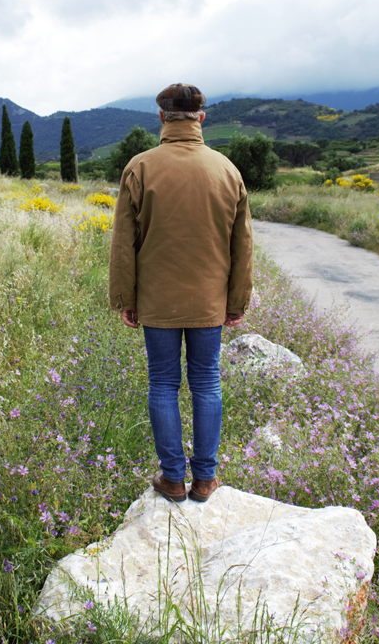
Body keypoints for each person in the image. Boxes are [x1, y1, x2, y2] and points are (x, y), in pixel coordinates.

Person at [108, 82, 254, 504]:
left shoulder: (139, 167)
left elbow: (123, 242)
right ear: (201, 118)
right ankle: (205, 480)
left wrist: (126, 298)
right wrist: (236, 302)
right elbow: (242, 246)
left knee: (163, 383)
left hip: (157, 300)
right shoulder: (227, 170)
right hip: (210, 301)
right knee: (207, 382)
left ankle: (172, 479)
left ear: (161, 117)